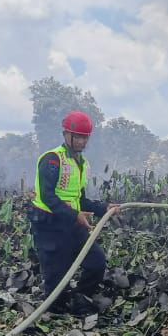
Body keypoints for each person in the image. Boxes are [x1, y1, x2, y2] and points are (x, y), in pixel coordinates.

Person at [28, 111, 120, 313]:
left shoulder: (83, 164)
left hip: (72, 224)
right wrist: (75, 215)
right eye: (77, 136)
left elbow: (81, 199)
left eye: (85, 137)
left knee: (96, 262)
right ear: (66, 135)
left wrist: (104, 208)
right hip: (49, 225)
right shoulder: (52, 160)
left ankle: (80, 298)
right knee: (56, 280)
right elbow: (47, 197)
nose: (81, 141)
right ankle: (57, 308)